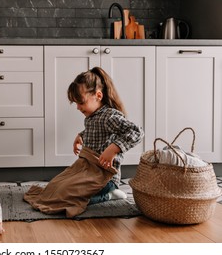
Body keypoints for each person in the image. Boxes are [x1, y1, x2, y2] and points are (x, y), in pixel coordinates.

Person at [24, 67, 143, 217]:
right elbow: (95, 130)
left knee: (65, 194)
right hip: (86, 167)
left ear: (98, 95)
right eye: (76, 103)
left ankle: (109, 194)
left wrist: (114, 148)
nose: (78, 107)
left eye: (81, 102)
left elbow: (137, 132)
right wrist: (81, 135)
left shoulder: (110, 116)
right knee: (55, 186)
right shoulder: (93, 116)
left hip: (103, 177)